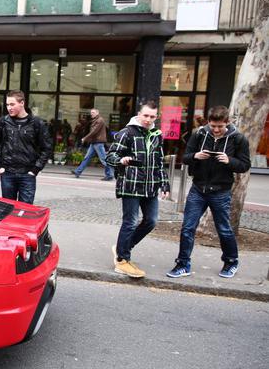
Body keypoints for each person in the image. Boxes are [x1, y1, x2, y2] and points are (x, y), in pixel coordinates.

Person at [167, 106, 251, 279]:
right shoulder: (199, 134)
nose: (216, 130)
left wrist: (230, 161)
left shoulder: (238, 139)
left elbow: (244, 165)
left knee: (224, 229)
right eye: (213, 126)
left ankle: (231, 262)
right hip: (198, 188)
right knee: (187, 228)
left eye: (220, 126)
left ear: (227, 122)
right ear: (208, 122)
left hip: (220, 191)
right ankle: (183, 264)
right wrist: (196, 156)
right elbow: (185, 158)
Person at [105, 101, 170, 279]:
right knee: (131, 222)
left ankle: (122, 247)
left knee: (151, 221)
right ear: (139, 114)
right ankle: (122, 260)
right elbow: (110, 156)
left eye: (152, 116)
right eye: (146, 115)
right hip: (131, 185)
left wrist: (165, 183)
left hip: (150, 186)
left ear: (156, 117)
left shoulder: (157, 135)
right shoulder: (126, 133)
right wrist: (121, 160)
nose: (148, 119)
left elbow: (159, 161)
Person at [0, 91, 52, 204]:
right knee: (8, 210)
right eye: (7, 105)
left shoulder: (37, 123)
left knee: (25, 211)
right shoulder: (3, 122)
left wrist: (35, 169)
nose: (9, 108)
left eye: (12, 104)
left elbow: (46, 148)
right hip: (7, 173)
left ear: (22, 103)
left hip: (27, 174)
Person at [71, 109, 114, 181]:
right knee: (86, 158)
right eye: (91, 113)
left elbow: (94, 131)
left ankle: (109, 175)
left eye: (93, 112)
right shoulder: (95, 120)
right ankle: (78, 172)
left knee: (103, 159)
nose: (92, 114)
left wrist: (84, 138)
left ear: (97, 113)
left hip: (98, 143)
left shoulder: (100, 120)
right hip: (94, 142)